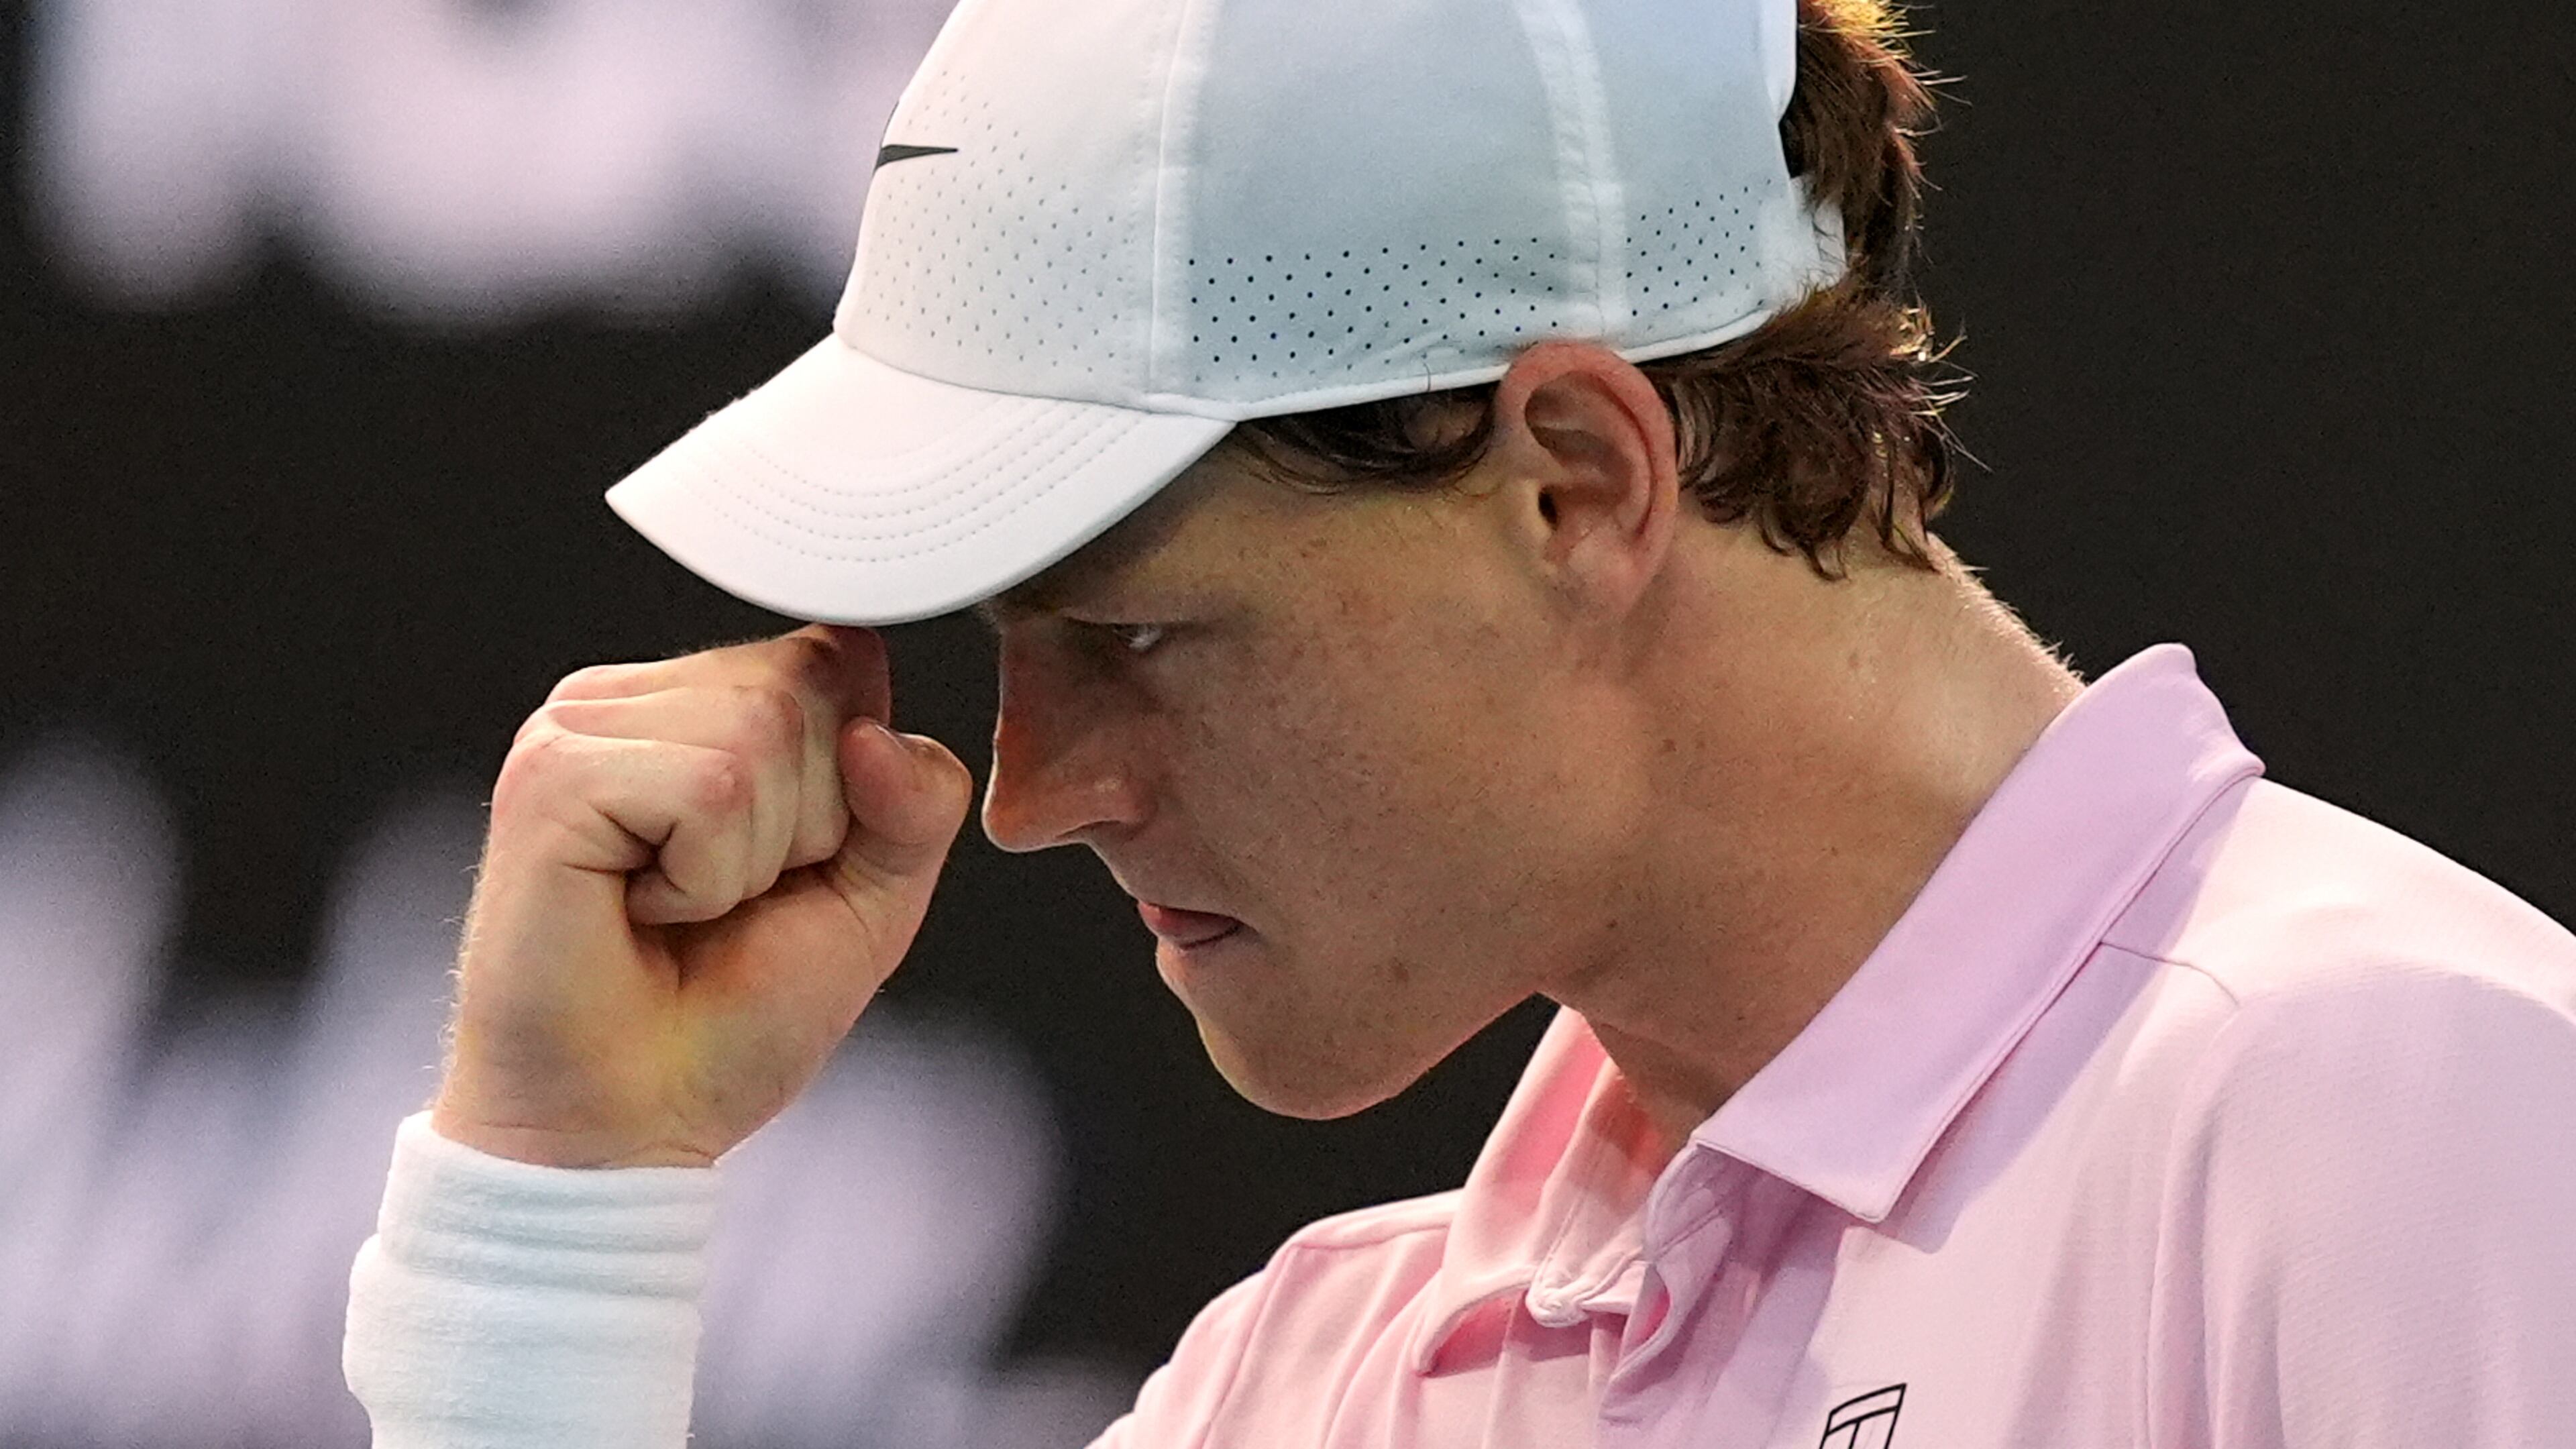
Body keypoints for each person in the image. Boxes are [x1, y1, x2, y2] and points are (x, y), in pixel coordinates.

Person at [342, 0, 2576, 1444]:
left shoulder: (2386, 1114)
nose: (1028, 796)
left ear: (1577, 481)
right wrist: (556, 1208)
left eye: (1136, 634)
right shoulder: (1306, 1393)